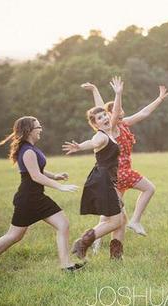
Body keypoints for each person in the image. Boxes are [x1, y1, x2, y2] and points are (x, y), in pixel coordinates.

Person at [0, 116, 84, 272]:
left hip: (36, 197)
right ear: (29, 131)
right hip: (28, 199)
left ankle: (66, 265)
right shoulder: (27, 151)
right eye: (38, 127)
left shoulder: (30, 149)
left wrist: (55, 176)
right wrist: (59, 186)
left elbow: (37, 169)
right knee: (14, 235)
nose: (41, 130)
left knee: (63, 224)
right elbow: (35, 176)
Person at [80, 82, 168, 236]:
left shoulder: (124, 124)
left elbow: (144, 113)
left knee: (112, 214)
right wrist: (114, 93)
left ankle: (95, 238)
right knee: (149, 188)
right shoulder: (112, 127)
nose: (120, 109)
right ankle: (135, 221)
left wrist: (159, 99)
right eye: (117, 108)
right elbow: (102, 109)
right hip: (122, 172)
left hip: (116, 175)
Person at [62, 77, 125, 260]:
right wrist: (80, 147)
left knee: (117, 218)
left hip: (107, 180)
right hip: (103, 181)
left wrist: (107, 92)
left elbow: (103, 110)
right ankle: (83, 242)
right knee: (116, 220)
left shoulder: (110, 131)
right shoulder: (101, 136)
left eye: (105, 115)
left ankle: (116, 257)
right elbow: (92, 142)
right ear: (95, 124)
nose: (105, 117)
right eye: (100, 118)